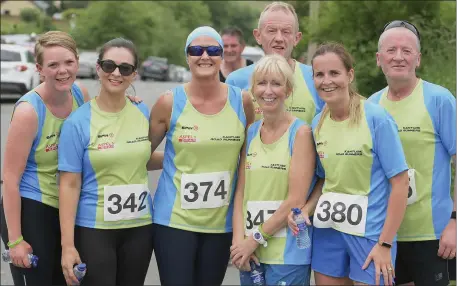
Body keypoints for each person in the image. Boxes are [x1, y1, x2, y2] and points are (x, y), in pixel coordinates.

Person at [289, 42, 410, 285]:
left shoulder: (376, 118)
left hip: (370, 235)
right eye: (319, 75)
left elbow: (400, 183)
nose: (327, 81)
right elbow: (326, 180)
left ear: (350, 75)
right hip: (329, 233)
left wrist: (385, 243)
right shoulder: (317, 123)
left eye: (334, 73)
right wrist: (306, 209)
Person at [148, 26, 254, 285]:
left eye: (213, 50)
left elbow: (250, 161)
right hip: (174, 221)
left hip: (221, 223)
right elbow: (139, 155)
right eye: (196, 50)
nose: (204, 55)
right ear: (187, 56)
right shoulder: (168, 102)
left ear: (221, 56)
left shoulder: (243, 102)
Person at [57, 38, 156, 286]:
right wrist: (67, 245)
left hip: (140, 227)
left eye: (125, 68)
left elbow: (138, 158)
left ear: (134, 75)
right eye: (109, 65)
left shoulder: (142, 112)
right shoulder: (77, 123)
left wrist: (184, 158)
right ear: (99, 68)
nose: (116, 73)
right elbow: (69, 185)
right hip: (95, 229)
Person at [368, 20, 456, 286]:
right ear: (378, 59)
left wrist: (455, 222)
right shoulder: (371, 105)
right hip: (383, 234)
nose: (398, 57)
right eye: (391, 50)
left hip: (431, 234)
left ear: (417, 59)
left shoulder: (439, 100)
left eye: (407, 51)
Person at [0, 30, 90, 286]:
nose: (62, 71)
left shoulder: (80, 94)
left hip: (68, 206)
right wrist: (15, 240)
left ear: (77, 61)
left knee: (68, 279)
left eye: (68, 62)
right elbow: (10, 178)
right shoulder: (29, 111)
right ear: (39, 69)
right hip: (33, 208)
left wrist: (129, 100)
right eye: (53, 65)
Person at [230, 54, 316, 285]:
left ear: (287, 91)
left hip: (286, 253)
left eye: (276, 83)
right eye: (262, 83)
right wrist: (239, 242)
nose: (268, 91)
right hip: (251, 251)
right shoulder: (250, 132)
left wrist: (255, 238)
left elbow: (295, 201)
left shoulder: (301, 133)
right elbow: (241, 193)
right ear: (253, 89)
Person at [226, 1, 324, 123]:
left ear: (296, 38)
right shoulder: (236, 81)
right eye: (271, 31)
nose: (279, 38)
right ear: (258, 36)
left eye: (286, 32)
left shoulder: (315, 78)